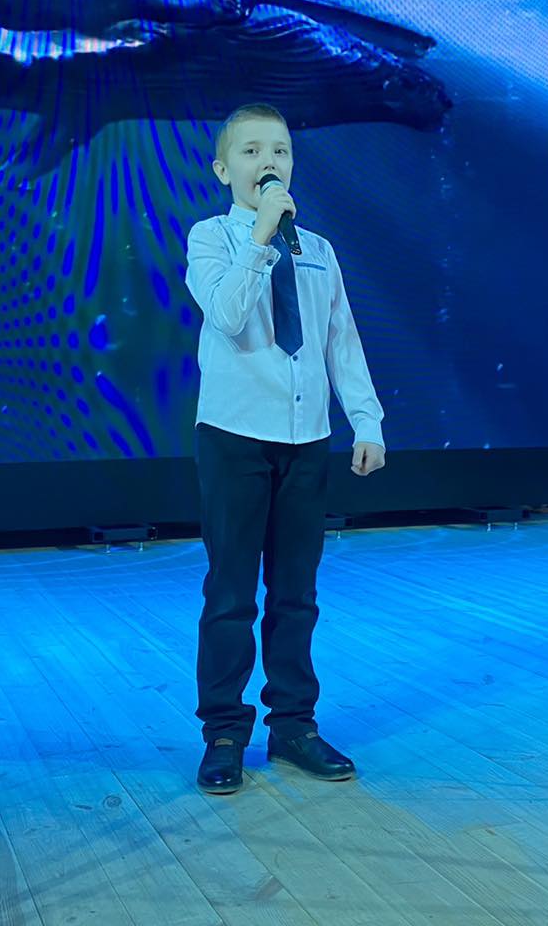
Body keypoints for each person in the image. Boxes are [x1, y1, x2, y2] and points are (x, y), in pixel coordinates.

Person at [182, 102, 387, 794]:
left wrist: (366, 421)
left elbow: (340, 340)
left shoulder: (320, 249)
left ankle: (294, 725)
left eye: (280, 151)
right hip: (234, 438)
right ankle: (224, 733)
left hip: (307, 441)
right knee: (231, 593)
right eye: (251, 152)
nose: (268, 162)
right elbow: (227, 313)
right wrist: (262, 236)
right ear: (223, 170)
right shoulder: (211, 238)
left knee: (296, 594)